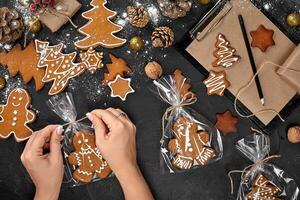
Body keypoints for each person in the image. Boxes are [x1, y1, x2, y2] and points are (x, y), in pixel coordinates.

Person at [21, 108, 154, 200]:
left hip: (99, 166)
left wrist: (45, 192)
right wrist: (127, 167)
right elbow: (74, 158)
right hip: (87, 169)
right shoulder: (79, 154)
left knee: (101, 169)